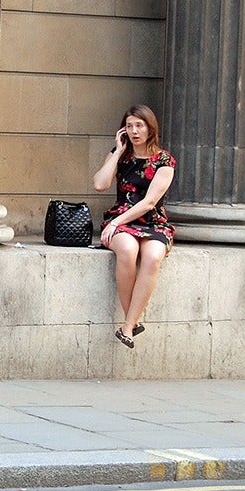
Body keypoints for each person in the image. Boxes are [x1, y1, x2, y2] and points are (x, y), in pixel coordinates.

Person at [91, 105, 176, 350]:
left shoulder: (164, 160)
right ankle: (131, 324)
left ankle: (128, 325)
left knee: (152, 257)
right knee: (127, 250)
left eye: (139, 125)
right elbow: (99, 184)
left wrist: (118, 222)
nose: (134, 131)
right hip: (120, 219)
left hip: (152, 221)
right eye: (129, 126)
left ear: (150, 128)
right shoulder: (121, 154)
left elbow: (150, 202)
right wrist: (117, 153)